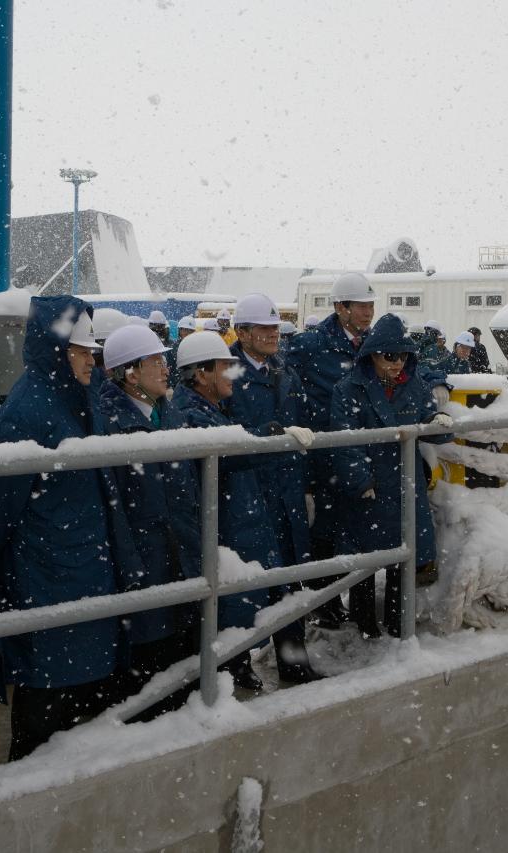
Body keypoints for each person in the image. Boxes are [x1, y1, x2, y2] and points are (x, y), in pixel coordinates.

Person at [0, 296, 142, 760]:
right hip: (47, 582)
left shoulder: (74, 399)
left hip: (81, 573)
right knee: (44, 708)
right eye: (81, 350)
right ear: (56, 350)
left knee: (76, 709)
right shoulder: (26, 412)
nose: (91, 359)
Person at [97, 325, 202, 716]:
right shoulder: (111, 426)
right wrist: (133, 566)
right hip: (145, 564)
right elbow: (115, 509)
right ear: (129, 373)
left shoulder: (168, 414)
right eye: (154, 361)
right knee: (146, 675)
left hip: (180, 556)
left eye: (163, 358)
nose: (165, 367)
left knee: (181, 662)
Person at [329, 314, 453, 637]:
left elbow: (428, 421)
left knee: (403, 560)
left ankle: (399, 626)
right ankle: (365, 627)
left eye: (403, 356)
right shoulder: (349, 389)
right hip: (371, 487)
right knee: (366, 564)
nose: (397, 363)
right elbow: (343, 437)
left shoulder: (415, 386)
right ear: (372, 354)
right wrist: (359, 479)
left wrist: (438, 422)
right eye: (389, 356)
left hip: (402, 485)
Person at [172, 332, 280, 689]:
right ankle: (221, 673)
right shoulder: (191, 414)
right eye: (225, 368)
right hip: (224, 530)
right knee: (225, 611)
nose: (233, 375)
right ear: (200, 375)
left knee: (236, 608)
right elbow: (231, 449)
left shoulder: (210, 409)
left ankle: (231, 665)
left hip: (235, 524)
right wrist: (270, 435)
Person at [225, 293, 323, 684]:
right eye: (262, 329)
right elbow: (225, 434)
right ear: (242, 332)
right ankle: (236, 665)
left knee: (289, 582)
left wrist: (306, 484)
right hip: (247, 493)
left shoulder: (285, 371)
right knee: (243, 584)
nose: (272, 335)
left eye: (274, 328)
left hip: (285, 492)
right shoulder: (226, 372)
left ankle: (294, 662)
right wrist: (264, 438)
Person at [285, 272, 378, 627]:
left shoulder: (371, 342)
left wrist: (440, 382)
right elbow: (283, 377)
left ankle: (361, 609)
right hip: (324, 453)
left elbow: (411, 363)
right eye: (361, 305)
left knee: (360, 531)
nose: (368, 312)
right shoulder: (312, 344)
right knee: (325, 531)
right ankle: (324, 604)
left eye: (371, 305)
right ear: (341, 307)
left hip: (358, 452)